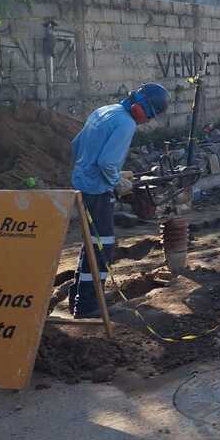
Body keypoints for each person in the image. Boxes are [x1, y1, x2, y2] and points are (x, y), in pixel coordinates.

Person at [68, 83, 170, 318]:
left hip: (82, 185)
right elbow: (106, 163)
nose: (147, 122)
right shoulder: (125, 124)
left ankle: (78, 299)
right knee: (103, 245)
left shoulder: (105, 111)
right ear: (141, 107)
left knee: (93, 243)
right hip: (96, 190)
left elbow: (76, 146)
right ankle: (88, 306)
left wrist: (87, 170)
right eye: (149, 116)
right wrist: (117, 182)